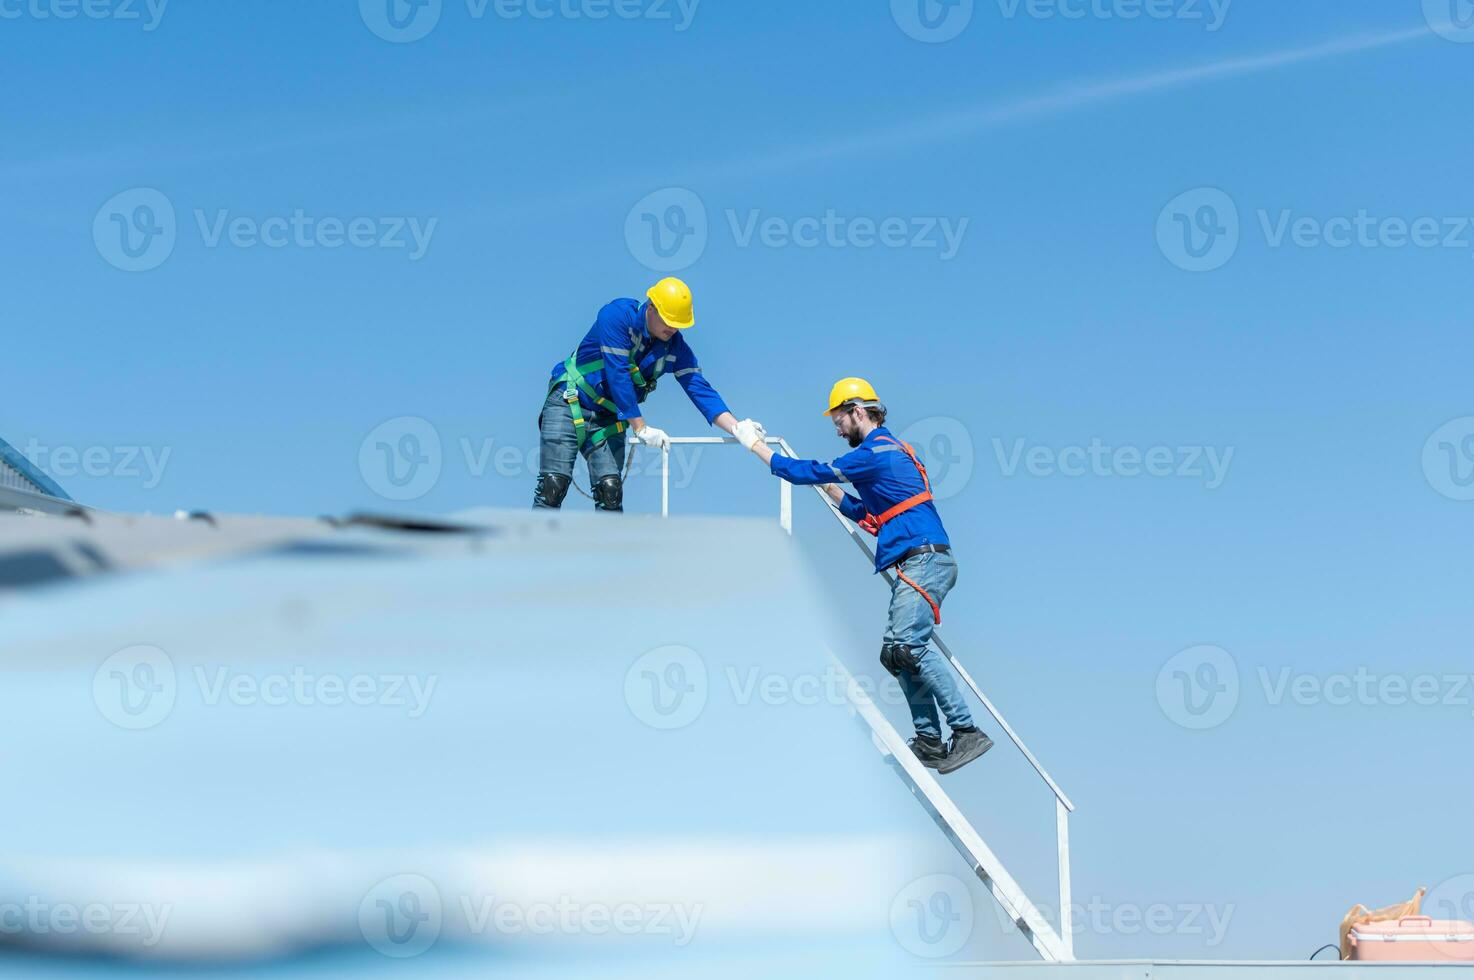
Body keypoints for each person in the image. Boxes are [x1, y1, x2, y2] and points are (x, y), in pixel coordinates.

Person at [732, 379, 992, 774]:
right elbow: (871, 517)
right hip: (918, 558)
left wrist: (757, 448)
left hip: (925, 560)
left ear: (858, 411)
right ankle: (930, 741)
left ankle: (966, 730)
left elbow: (808, 471)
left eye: (839, 420)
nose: (837, 430)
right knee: (895, 655)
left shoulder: (876, 451)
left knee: (908, 647)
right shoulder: (885, 456)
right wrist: (832, 490)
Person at [535, 277, 750, 512]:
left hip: (609, 419)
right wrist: (640, 427)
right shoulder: (616, 316)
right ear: (651, 308)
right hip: (570, 401)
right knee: (552, 487)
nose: (673, 329)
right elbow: (618, 374)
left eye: (679, 324)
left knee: (610, 492)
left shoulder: (675, 348)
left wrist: (737, 428)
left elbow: (699, 388)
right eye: (669, 321)